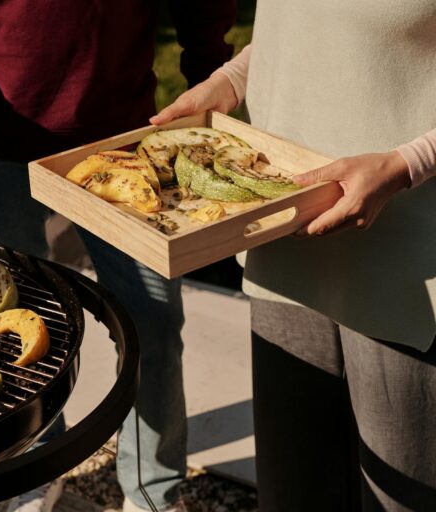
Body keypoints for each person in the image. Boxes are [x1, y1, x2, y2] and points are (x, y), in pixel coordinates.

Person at [0, 1, 236, 510]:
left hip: (117, 128)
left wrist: (209, 70)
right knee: (10, 324)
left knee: (152, 318)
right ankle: (34, 472)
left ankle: (154, 490)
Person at [153, 2, 436, 510]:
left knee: (402, 498)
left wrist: (405, 163)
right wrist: (231, 81)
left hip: (404, 267)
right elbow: (303, 28)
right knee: (293, 489)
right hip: (285, 240)